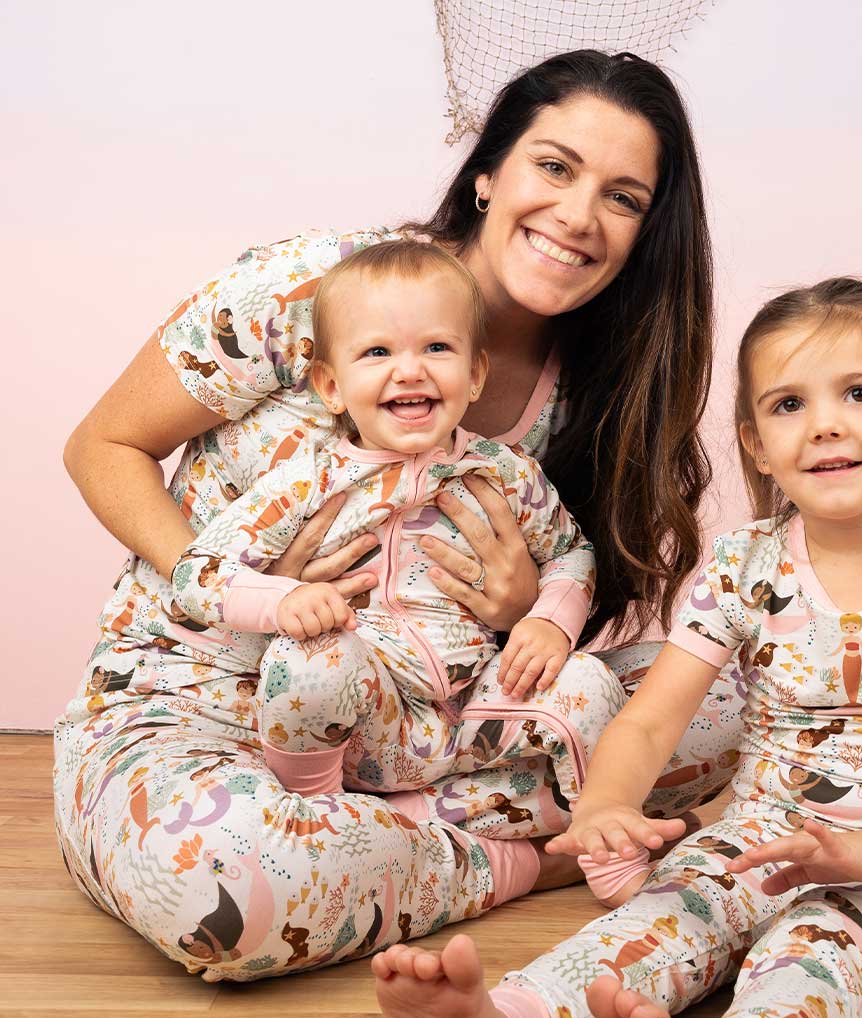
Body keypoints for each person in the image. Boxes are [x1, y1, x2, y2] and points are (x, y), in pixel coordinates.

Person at [56, 50, 742, 981]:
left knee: (751, 686)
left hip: (435, 732)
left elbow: (565, 595)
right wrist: (238, 589)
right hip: (201, 716)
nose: (578, 215)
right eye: (554, 166)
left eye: (623, 198)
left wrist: (530, 607)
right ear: (489, 174)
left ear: (646, 231)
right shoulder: (316, 288)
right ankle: (531, 862)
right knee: (216, 887)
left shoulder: (597, 390)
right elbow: (102, 447)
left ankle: (377, 849)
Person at [371, 277, 862, 1018]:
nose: (825, 423)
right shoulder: (743, 566)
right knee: (662, 918)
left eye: (860, 393)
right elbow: (651, 721)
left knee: (816, 958)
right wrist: (607, 804)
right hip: (753, 838)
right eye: (789, 405)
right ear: (757, 443)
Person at [172, 239, 597, 800]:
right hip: (365, 726)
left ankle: (594, 834)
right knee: (310, 660)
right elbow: (197, 573)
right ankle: (319, 813)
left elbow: (572, 551)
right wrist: (282, 600)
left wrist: (549, 621)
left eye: (437, 347)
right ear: (331, 387)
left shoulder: (503, 472)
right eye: (377, 353)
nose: (410, 371)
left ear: (475, 373)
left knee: (591, 683)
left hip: (479, 710)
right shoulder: (309, 480)